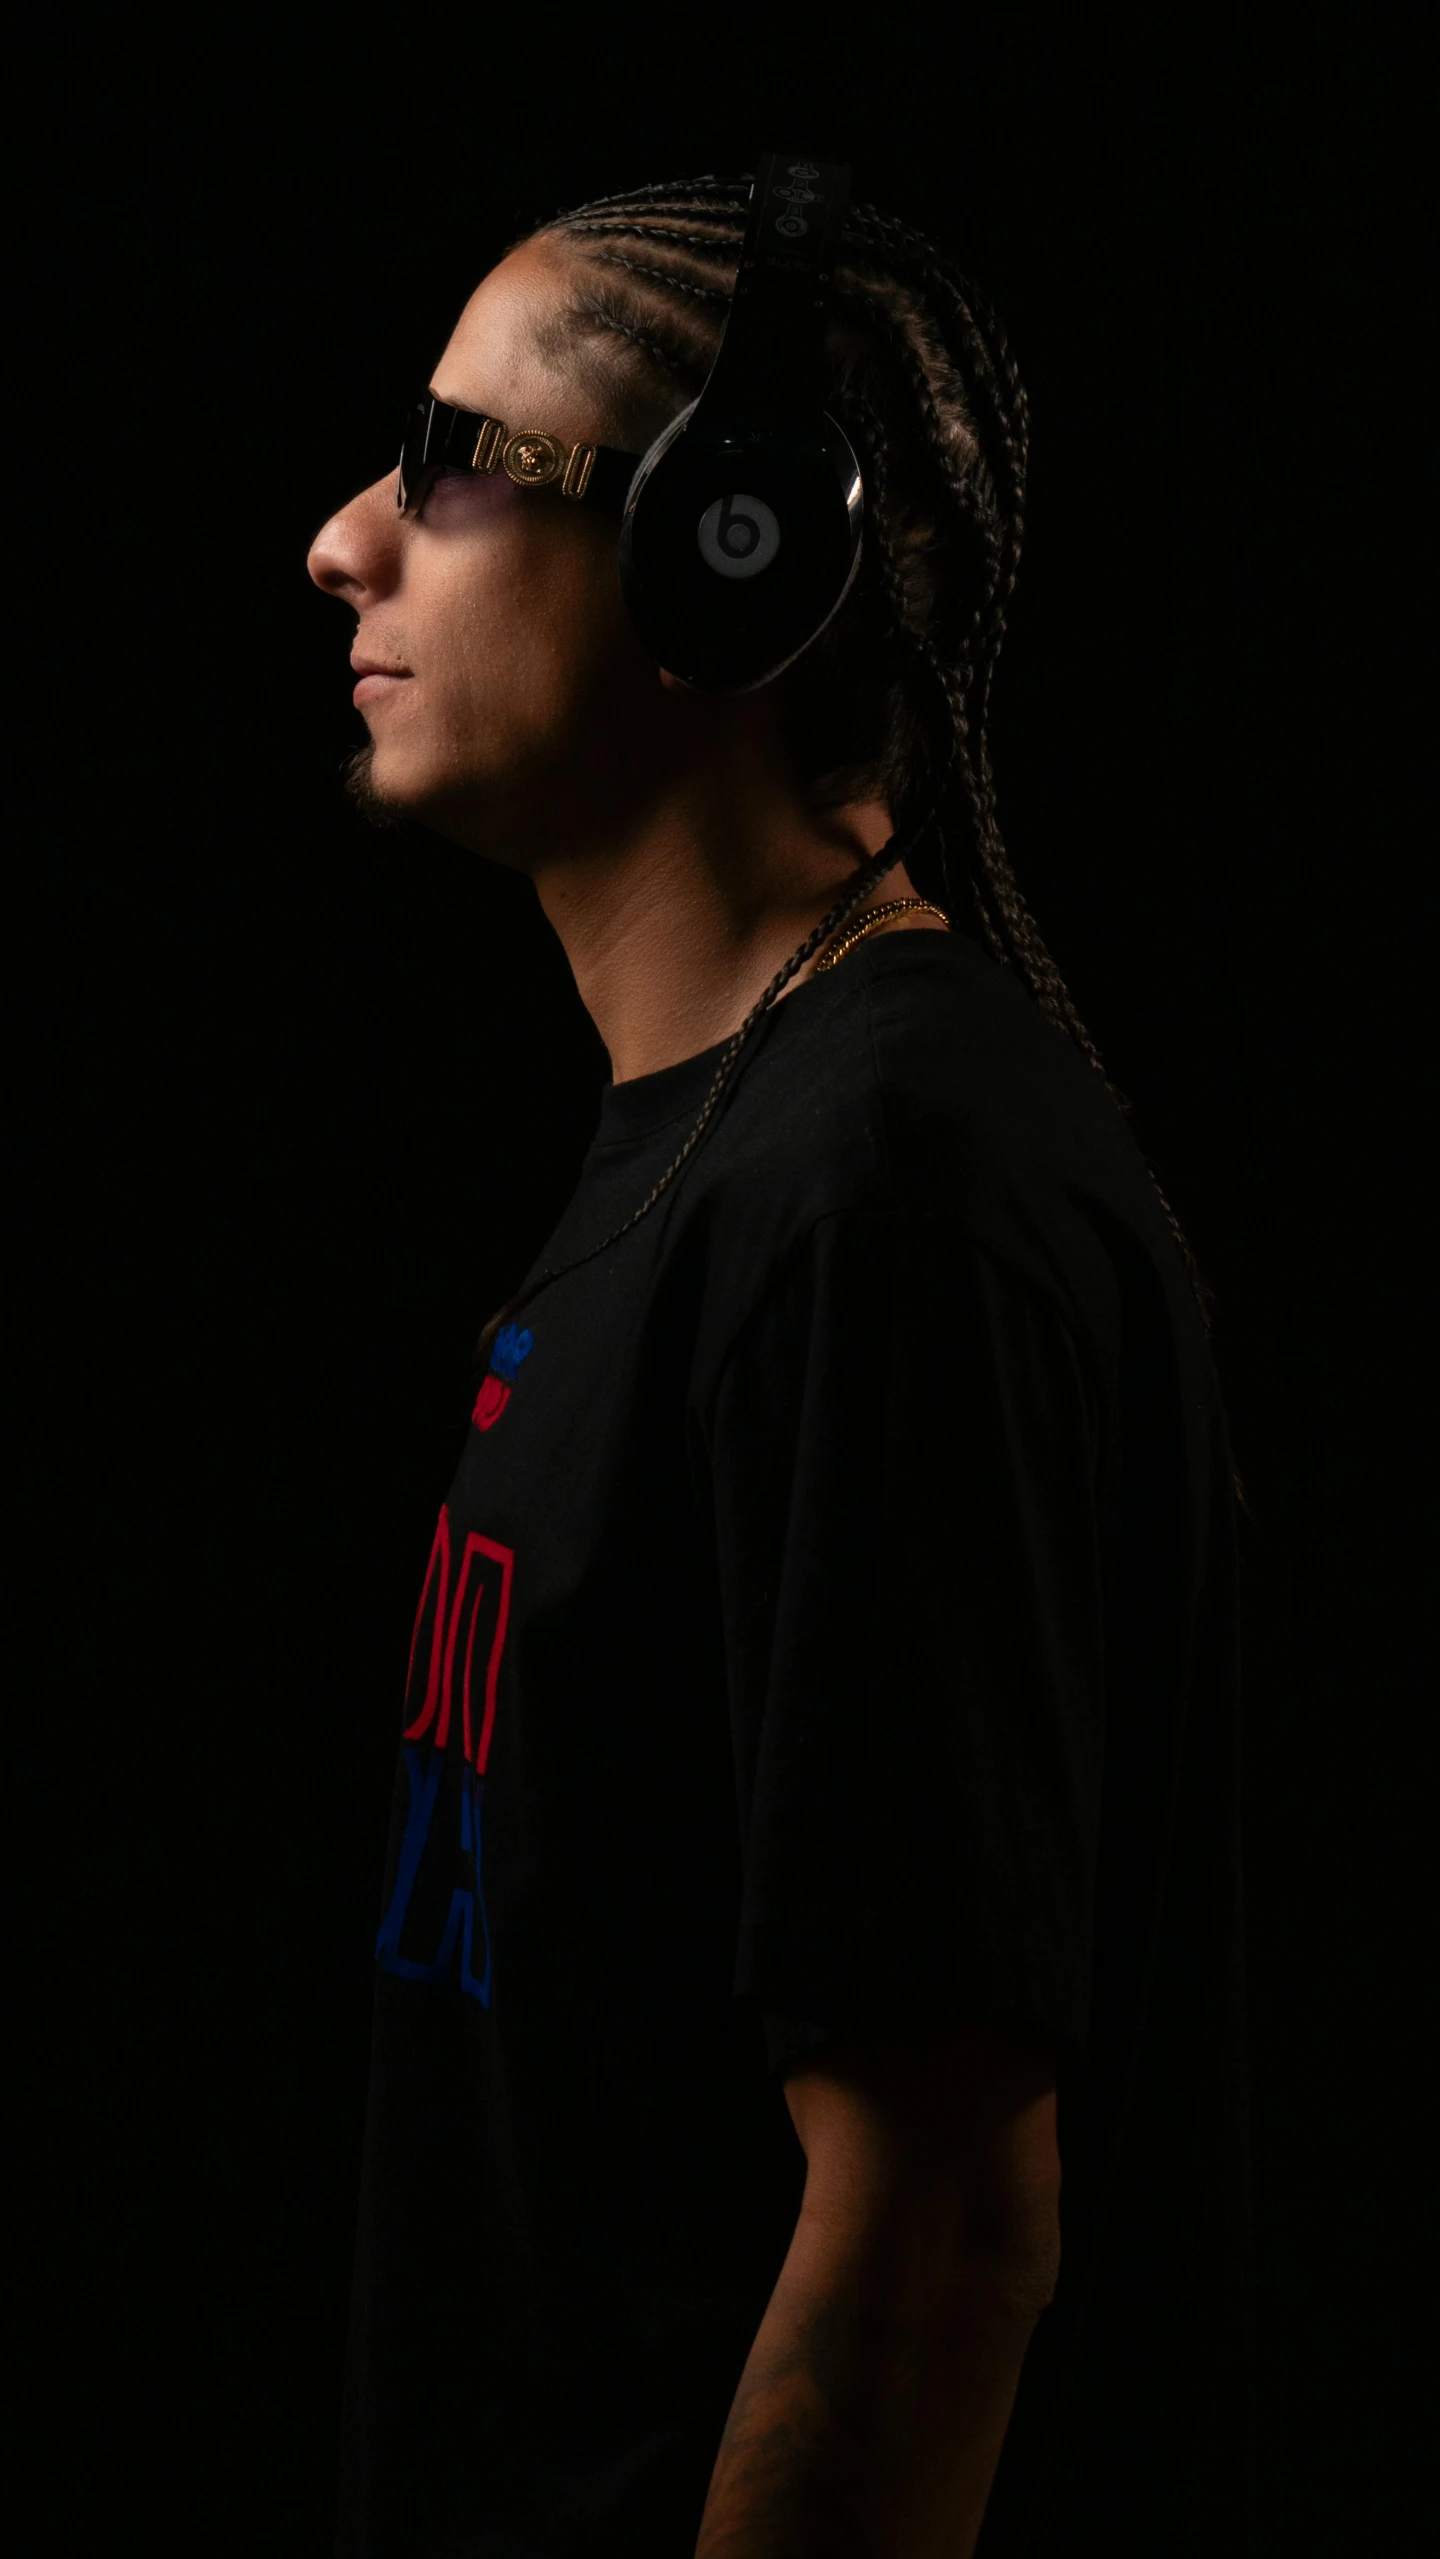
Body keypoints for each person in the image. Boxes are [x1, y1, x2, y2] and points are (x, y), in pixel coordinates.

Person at [307, 169, 1253, 2559]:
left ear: (723, 552)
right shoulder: (732, 1153)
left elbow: (935, 2240)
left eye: (448, 463)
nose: (346, 541)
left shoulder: (885, 1202)